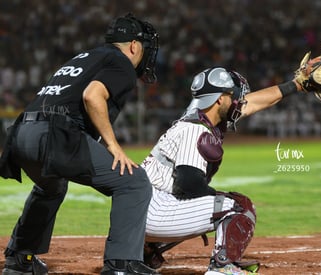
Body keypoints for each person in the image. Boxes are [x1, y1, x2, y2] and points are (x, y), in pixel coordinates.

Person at [0, 13, 160, 275]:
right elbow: (92, 96)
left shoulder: (86, 57)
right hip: (54, 135)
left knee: (51, 186)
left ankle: (19, 260)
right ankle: (121, 265)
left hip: (20, 133)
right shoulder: (121, 63)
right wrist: (114, 147)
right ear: (134, 46)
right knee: (134, 182)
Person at [140, 67, 304, 275]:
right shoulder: (196, 129)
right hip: (154, 213)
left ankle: (146, 252)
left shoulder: (194, 119)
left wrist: (296, 85)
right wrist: (208, 208)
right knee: (239, 206)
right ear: (219, 100)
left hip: (138, 211)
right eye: (233, 96)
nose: (238, 101)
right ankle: (223, 266)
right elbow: (189, 183)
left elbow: (253, 103)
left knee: (207, 203)